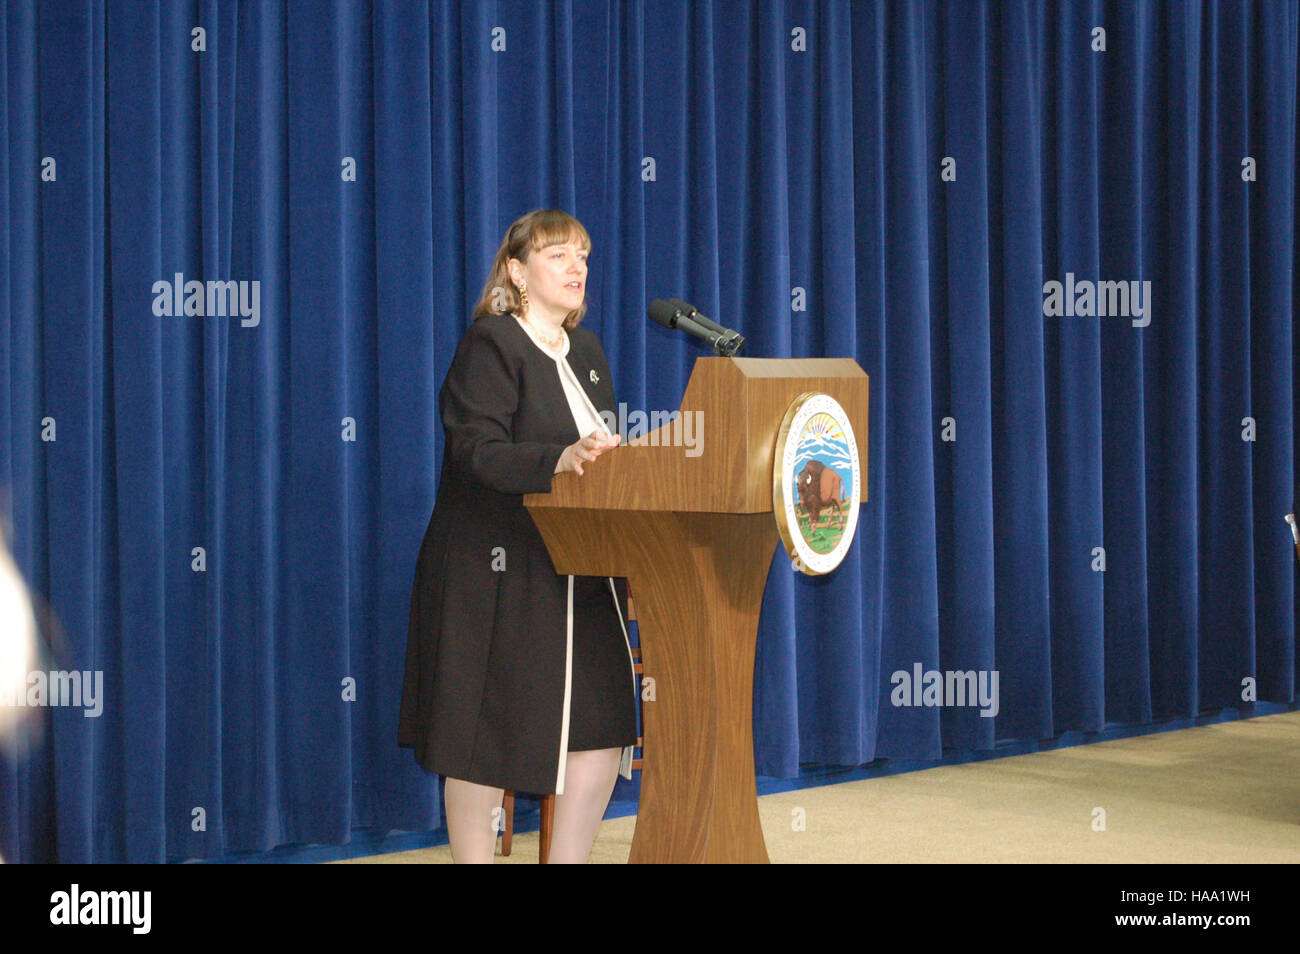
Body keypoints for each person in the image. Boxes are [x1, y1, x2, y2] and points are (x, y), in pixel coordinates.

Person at [398, 209, 638, 864]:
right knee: (481, 737)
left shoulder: (587, 354)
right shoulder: (492, 344)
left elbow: (600, 461)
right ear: (516, 271)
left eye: (583, 255)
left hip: (581, 570)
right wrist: (556, 460)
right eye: (558, 254)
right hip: (494, 570)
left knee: (601, 726)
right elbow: (478, 450)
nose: (576, 267)